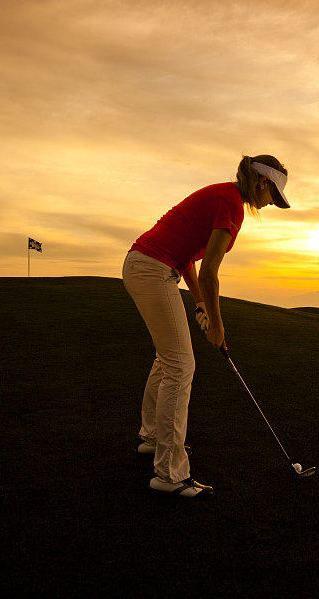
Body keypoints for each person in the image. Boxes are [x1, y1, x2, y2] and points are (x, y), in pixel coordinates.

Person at [121, 154, 290, 497]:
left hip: (146, 265)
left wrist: (199, 304)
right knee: (181, 366)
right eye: (273, 194)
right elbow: (212, 272)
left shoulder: (224, 196)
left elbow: (187, 260)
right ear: (262, 182)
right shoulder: (231, 203)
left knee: (167, 359)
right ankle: (169, 475)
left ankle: (152, 438)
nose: (272, 203)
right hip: (153, 268)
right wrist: (216, 323)